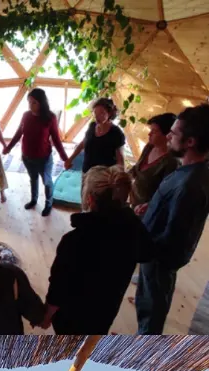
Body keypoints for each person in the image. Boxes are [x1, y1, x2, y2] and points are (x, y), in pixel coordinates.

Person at [43, 167, 153, 334]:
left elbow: (58, 287)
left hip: (71, 316)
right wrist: (131, 218)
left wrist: (46, 316)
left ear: (90, 199)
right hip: (106, 310)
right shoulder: (133, 228)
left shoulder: (74, 240)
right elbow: (146, 253)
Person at [135, 103, 209, 334]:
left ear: (190, 142)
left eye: (174, 133)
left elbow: (174, 240)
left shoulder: (190, 186)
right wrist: (155, 206)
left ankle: (142, 354)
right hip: (152, 257)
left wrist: (137, 244)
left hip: (158, 261)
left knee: (151, 312)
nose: (168, 135)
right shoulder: (187, 172)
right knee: (145, 306)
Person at [4, 88, 69, 216]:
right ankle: (34, 200)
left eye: (34, 103)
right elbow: (19, 133)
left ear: (41, 103)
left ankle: (48, 203)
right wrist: (9, 147)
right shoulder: (26, 115)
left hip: (44, 158)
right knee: (33, 179)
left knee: (47, 182)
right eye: (29, 102)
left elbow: (56, 139)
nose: (31, 105)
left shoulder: (50, 118)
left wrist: (65, 158)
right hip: (27, 156)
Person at [64, 98, 126, 180]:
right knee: (85, 192)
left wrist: (119, 176)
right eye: (95, 113)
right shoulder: (92, 126)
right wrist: (70, 158)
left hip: (104, 176)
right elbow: (83, 143)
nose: (97, 116)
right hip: (87, 172)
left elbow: (120, 159)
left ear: (109, 113)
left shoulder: (116, 133)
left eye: (101, 113)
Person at [129, 113, 179, 212]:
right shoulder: (150, 146)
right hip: (135, 203)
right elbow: (137, 168)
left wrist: (149, 206)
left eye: (154, 131)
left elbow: (165, 192)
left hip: (148, 210)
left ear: (167, 135)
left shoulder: (171, 161)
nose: (149, 134)